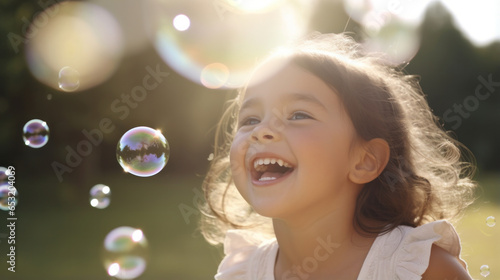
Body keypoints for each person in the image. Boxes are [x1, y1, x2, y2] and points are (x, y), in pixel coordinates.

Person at [200, 33, 477, 279]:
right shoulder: (242, 271)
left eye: (298, 115)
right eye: (250, 119)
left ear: (364, 161)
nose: (261, 131)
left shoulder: (418, 269)